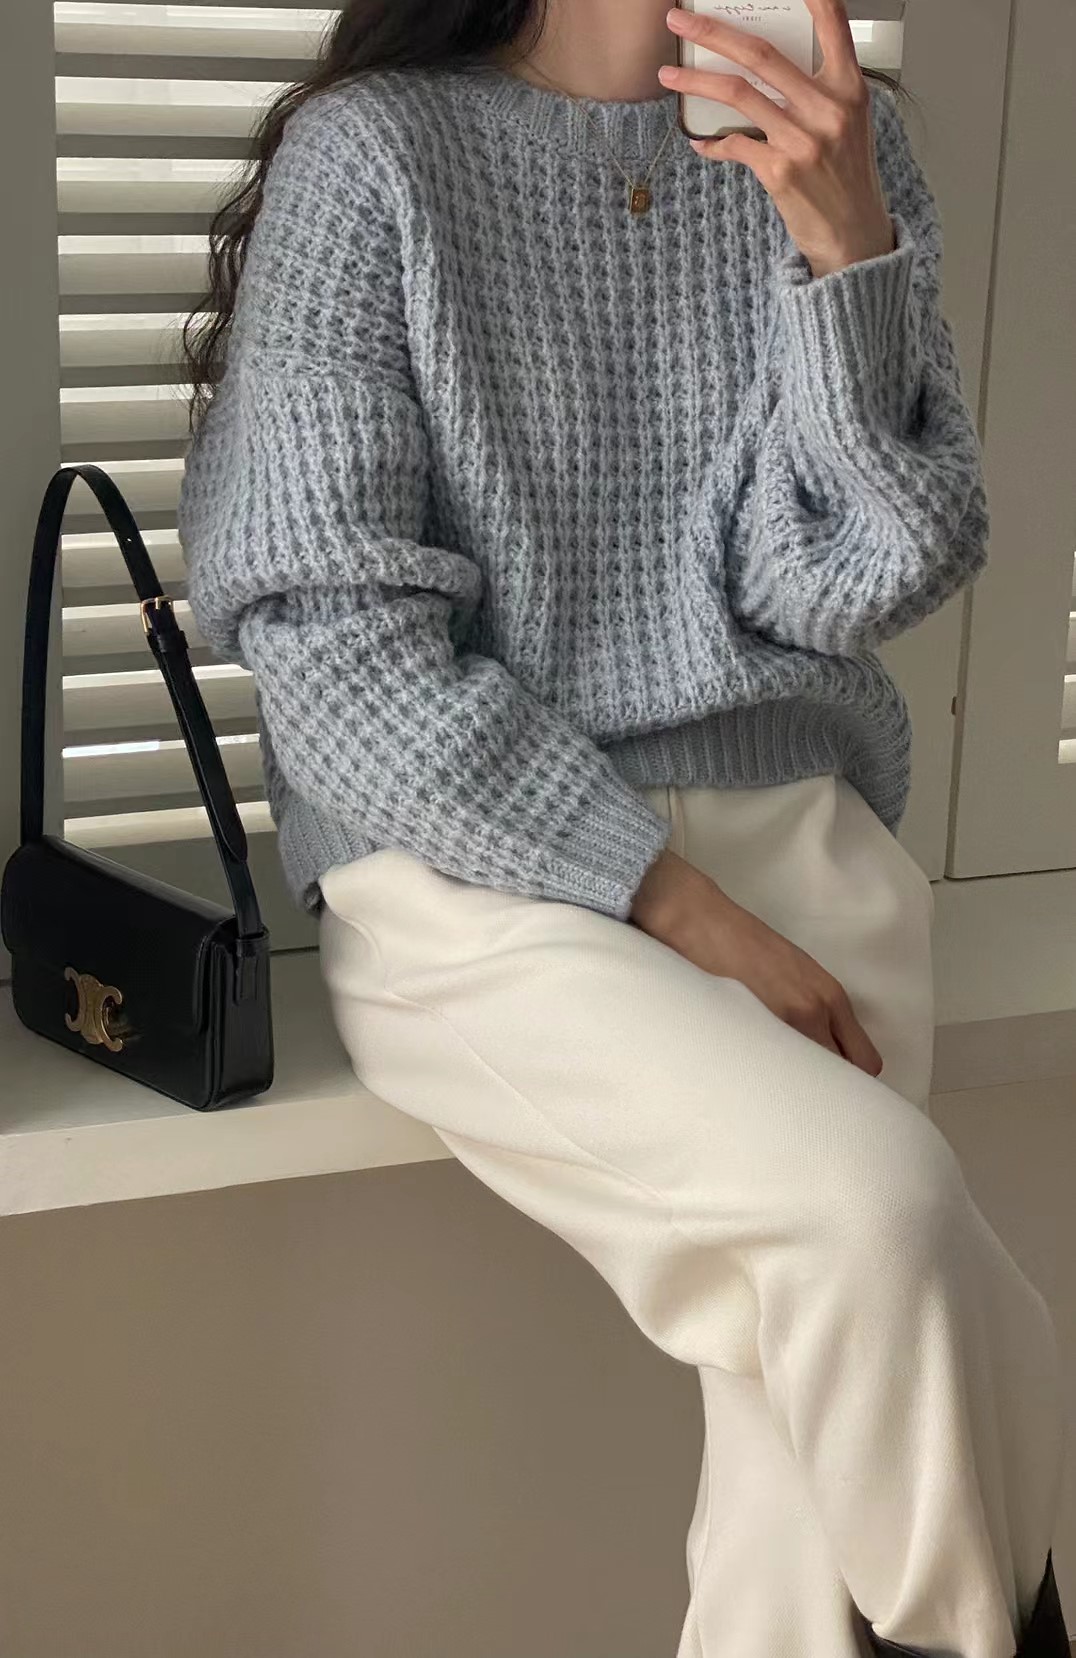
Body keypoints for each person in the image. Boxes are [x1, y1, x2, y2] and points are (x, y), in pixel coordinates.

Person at [176, 1, 1069, 1653]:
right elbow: (333, 645)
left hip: (803, 838)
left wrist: (847, 254)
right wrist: (665, 895)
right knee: (884, 1217)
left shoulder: (842, 144)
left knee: (816, 1478)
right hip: (474, 868)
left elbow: (858, 578)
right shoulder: (376, 159)